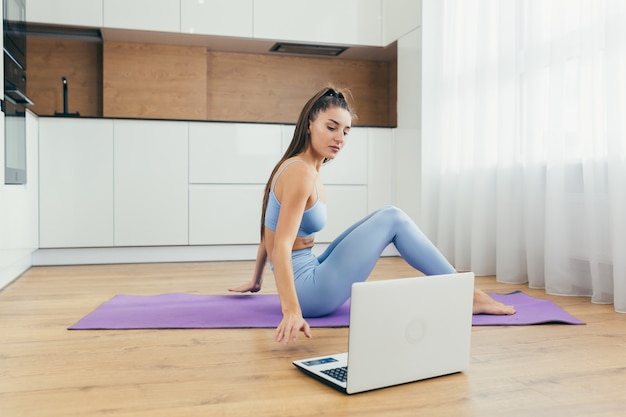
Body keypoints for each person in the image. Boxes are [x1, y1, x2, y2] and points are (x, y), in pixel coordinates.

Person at [229, 85, 515, 345]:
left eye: (346, 131)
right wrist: (291, 310)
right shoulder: (301, 173)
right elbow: (279, 243)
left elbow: (270, 230)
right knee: (393, 218)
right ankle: (467, 294)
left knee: (386, 214)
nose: (339, 138)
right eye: (331, 127)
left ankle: (464, 290)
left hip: (305, 273)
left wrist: (256, 279)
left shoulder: (296, 165)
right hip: (310, 293)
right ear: (309, 125)